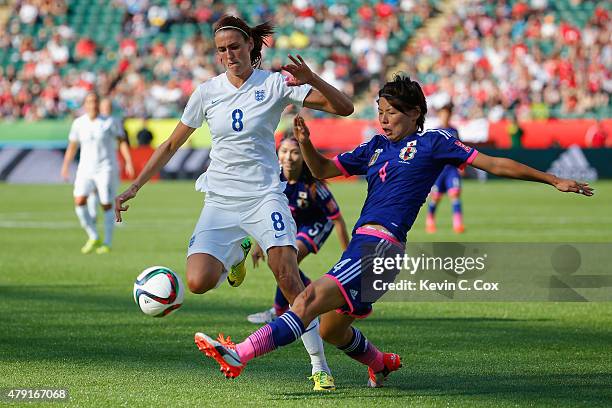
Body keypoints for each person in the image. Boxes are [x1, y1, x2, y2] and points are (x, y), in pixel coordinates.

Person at [193, 74, 593, 388]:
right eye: (380, 110)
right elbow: (325, 170)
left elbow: (493, 163)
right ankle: (382, 364)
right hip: (375, 252)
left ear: (416, 113)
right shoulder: (374, 148)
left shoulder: (434, 142)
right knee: (333, 329)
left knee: (309, 297)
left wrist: (551, 178)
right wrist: (306, 144)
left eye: (392, 112)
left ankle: (240, 353)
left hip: (380, 248)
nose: (383, 118)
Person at [114, 15, 354, 391]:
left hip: (264, 197)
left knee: (289, 279)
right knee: (197, 282)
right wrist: (135, 187)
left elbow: (345, 108)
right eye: (221, 49)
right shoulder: (207, 92)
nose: (228, 54)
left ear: (251, 48)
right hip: (221, 199)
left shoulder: (275, 84)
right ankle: (238, 252)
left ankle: (319, 365)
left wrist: (313, 80)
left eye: (235, 47)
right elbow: (171, 144)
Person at [247, 133, 350, 324]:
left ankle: (279, 312)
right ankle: (308, 288)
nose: (288, 157)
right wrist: (258, 245)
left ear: (303, 156)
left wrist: (349, 256)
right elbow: (265, 214)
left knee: (288, 259)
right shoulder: (273, 179)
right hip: (292, 224)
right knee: (279, 261)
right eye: (284, 151)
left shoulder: (313, 184)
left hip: (316, 224)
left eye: (295, 152)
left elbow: (337, 219)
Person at [61, 93, 134, 254]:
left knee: (106, 203)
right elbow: (72, 146)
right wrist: (65, 166)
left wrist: (128, 160)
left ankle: (107, 242)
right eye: (89, 102)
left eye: (94, 102)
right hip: (85, 169)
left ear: (98, 104)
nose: (92, 104)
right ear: (85, 105)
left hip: (105, 168)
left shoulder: (110, 122)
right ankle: (93, 236)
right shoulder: (79, 123)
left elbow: (122, 142)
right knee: (79, 201)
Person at [87, 97, 133, 225]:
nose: (107, 108)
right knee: (93, 190)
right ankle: (92, 214)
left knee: (112, 190)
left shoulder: (114, 121)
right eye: (105, 106)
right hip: (93, 162)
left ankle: (115, 218)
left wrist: (128, 161)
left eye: (109, 106)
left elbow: (122, 142)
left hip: (110, 162)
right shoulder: (91, 121)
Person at [426, 103, 465, 233]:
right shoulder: (435, 132)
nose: (445, 117)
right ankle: (430, 219)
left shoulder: (454, 131)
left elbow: (460, 149)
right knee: (436, 197)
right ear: (439, 116)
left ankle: (458, 224)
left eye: (447, 115)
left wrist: (461, 165)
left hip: (452, 169)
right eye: (443, 115)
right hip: (439, 171)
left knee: (455, 194)